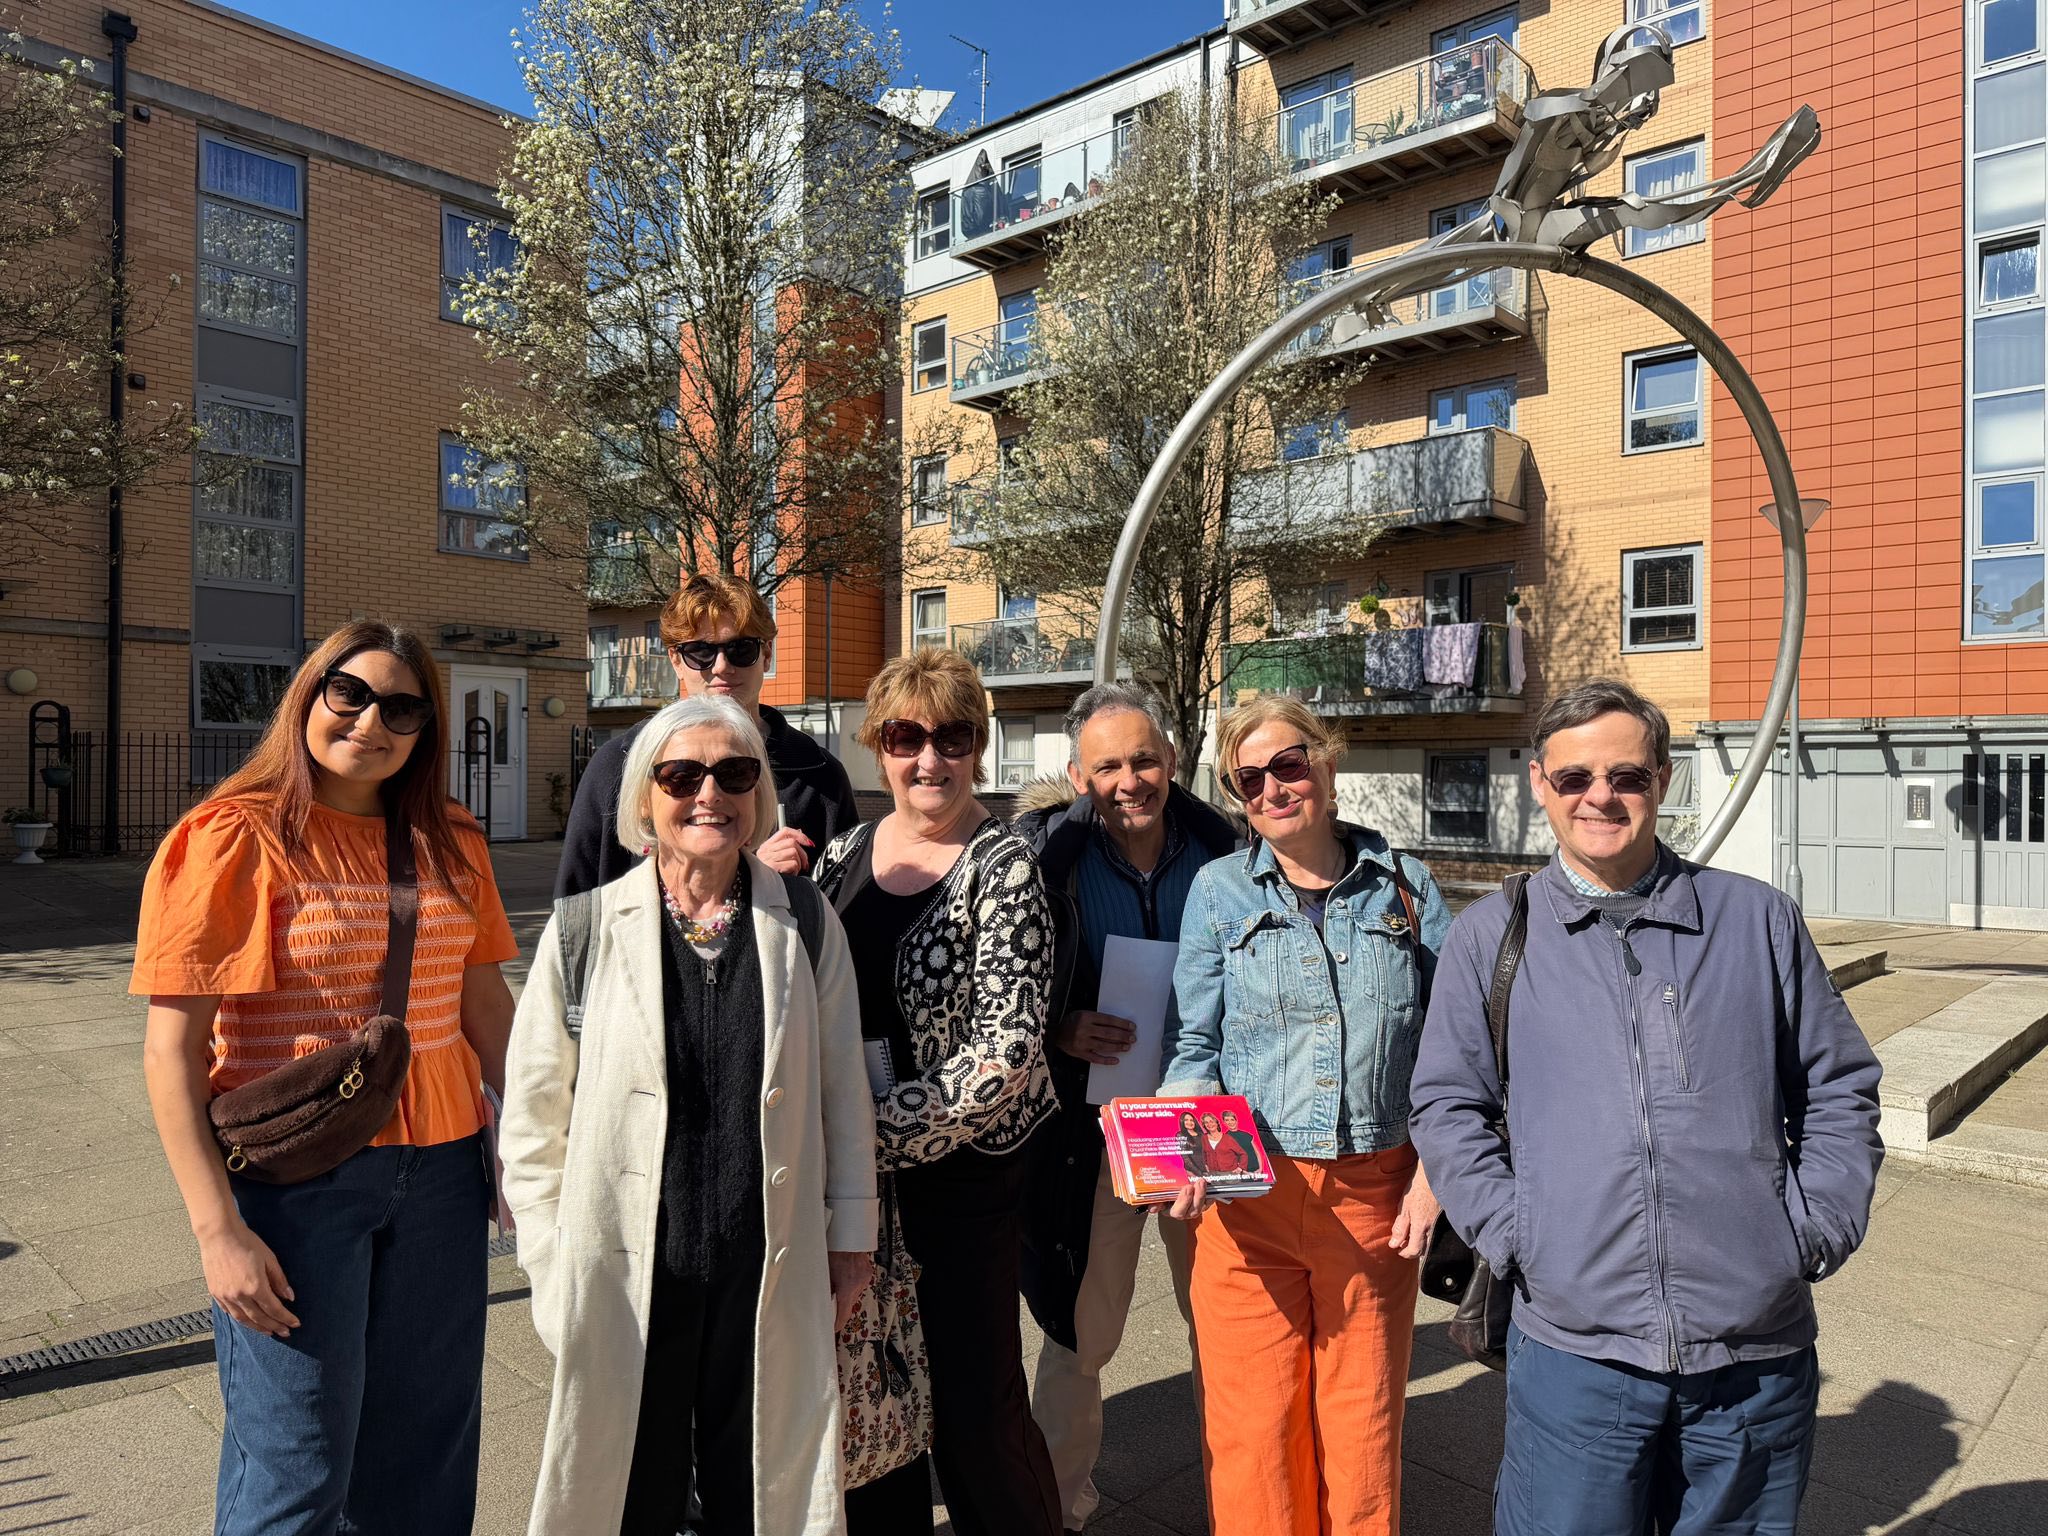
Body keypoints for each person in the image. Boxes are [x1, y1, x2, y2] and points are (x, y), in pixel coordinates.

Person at [1410, 679, 1884, 1536]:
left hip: (1753, 1351)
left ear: (1663, 780)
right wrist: (1521, 1234)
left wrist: (1812, 1228)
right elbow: (1447, 1105)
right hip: (1577, 1352)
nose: (1601, 796)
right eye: (1575, 778)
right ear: (1539, 784)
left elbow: (1840, 1087)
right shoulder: (1490, 936)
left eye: (1627, 776)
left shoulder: (1756, 921)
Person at [133, 621, 518, 1536]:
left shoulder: (452, 838)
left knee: (426, 1453)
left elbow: (488, 1012)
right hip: (295, 1189)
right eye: (348, 693)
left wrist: (556, 1141)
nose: (370, 721)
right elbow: (171, 1051)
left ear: (426, 728)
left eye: (402, 707)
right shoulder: (233, 837)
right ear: (308, 695)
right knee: (297, 1471)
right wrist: (217, 1231)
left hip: (442, 1179)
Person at [499, 693, 878, 1535]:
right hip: (631, 1267)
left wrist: (851, 1241)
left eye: (734, 773)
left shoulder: (806, 924)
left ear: (759, 796)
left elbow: (844, 1094)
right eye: (682, 775)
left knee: (758, 1486)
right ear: (645, 800)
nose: (710, 793)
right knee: (633, 1484)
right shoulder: (582, 930)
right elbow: (530, 1124)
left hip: (764, 1261)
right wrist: (551, 1260)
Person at [1160, 695, 1452, 1536]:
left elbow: (1449, 1048)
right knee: (1254, 1432)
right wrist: (1180, 1149)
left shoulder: (1406, 886)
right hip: (1245, 1197)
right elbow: (1195, 1046)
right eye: (1249, 778)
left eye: (1289, 764)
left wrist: (1436, 1173)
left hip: (1375, 1199)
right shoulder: (1217, 891)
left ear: (1326, 761)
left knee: (1361, 1427)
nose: (1273, 788)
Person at [813, 647, 1062, 1536]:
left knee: (973, 1413)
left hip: (959, 1181)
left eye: (952, 737)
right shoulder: (840, 856)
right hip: (853, 1193)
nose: (930, 758)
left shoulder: (1003, 869)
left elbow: (1007, 1051)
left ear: (979, 749)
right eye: (906, 736)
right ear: (877, 747)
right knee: (874, 1415)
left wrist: (863, 1132)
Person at [1013, 682, 1238, 1534]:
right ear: (1077, 773)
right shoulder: (1042, 860)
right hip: (1093, 1125)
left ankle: (1242, 1493)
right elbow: (1004, 984)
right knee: (1081, 1324)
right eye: (1107, 764)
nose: (1129, 778)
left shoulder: (1228, 851)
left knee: (1222, 1315)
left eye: (1145, 758)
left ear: (1173, 761)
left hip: (1202, 1119)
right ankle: (1055, 1502)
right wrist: (1057, 1026)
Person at [557, 571, 858, 897]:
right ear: (675, 659)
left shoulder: (818, 774)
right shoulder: (621, 763)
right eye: (700, 651)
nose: (721, 666)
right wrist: (754, 873)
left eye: (741, 649)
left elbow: (844, 912)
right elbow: (577, 906)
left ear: (767, 654)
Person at [1197, 1111, 1248, 1178]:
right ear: (1204, 1125)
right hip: (1214, 1176)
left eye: (1211, 1121)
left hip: (1230, 1175)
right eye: (1206, 1122)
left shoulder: (1227, 1138)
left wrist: (1240, 1168)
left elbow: (1243, 1154)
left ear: (1216, 1123)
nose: (1209, 1124)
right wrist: (1206, 1167)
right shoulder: (1204, 1138)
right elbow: (1204, 1155)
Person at [1222, 1109, 1262, 1177]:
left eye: (1232, 1119)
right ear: (1224, 1122)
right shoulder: (1225, 1138)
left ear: (1236, 1120)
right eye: (1227, 1120)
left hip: (1257, 1172)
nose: (1230, 1122)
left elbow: (1257, 1153)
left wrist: (1260, 1169)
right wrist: (1244, 1172)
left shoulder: (1247, 1135)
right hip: (1242, 1173)